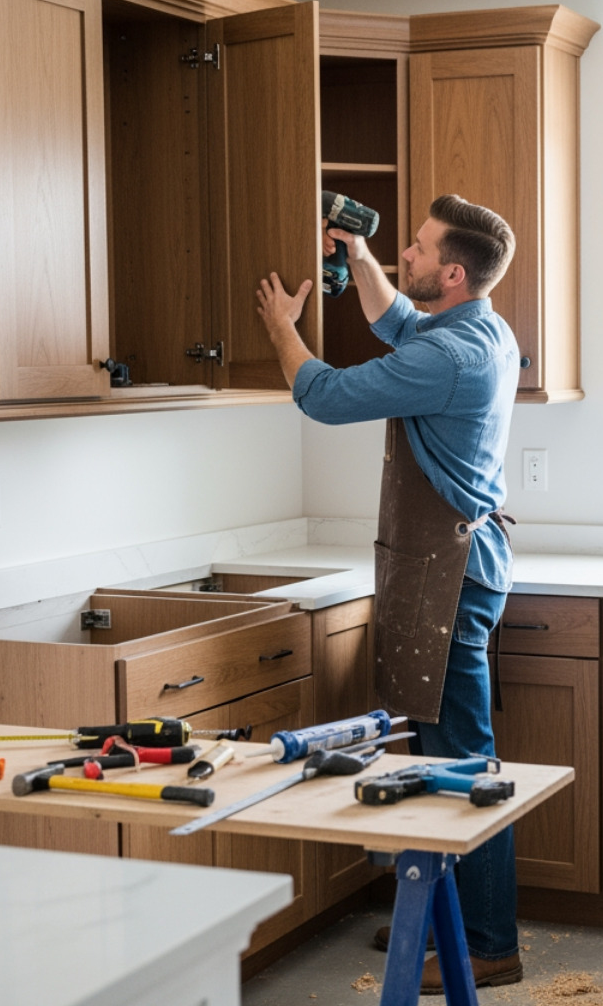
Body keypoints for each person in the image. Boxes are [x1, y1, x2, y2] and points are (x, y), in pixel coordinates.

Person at [254, 194, 523, 994]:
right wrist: (358, 255)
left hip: (450, 574)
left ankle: (485, 943)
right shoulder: (474, 327)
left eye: (414, 247)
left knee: (463, 764)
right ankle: (446, 925)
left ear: (452, 271)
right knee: (443, 756)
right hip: (450, 566)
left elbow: (326, 395)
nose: (402, 253)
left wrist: (280, 323)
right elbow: (401, 319)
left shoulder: (454, 357)